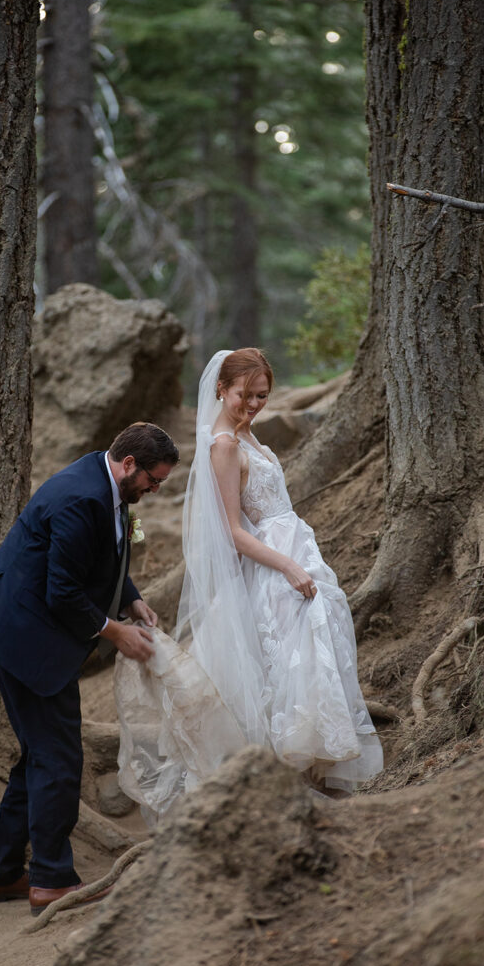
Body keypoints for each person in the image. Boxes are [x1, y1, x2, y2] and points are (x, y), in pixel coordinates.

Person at [115, 350, 382, 821]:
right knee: (286, 670)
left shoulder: (246, 433)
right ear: (221, 388)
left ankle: (313, 778)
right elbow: (233, 533)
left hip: (294, 551)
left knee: (310, 658)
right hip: (274, 566)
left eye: (262, 396)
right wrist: (288, 566)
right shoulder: (222, 445)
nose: (254, 404)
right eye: (245, 395)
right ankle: (285, 784)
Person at [0, 422, 179, 913]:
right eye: (154, 480)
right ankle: (52, 881)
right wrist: (115, 631)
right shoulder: (81, 499)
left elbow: (103, 558)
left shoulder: (105, 481)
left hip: (29, 629)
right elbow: (62, 591)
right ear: (129, 465)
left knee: (39, 755)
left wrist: (134, 602)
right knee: (59, 759)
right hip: (26, 638)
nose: (155, 488)